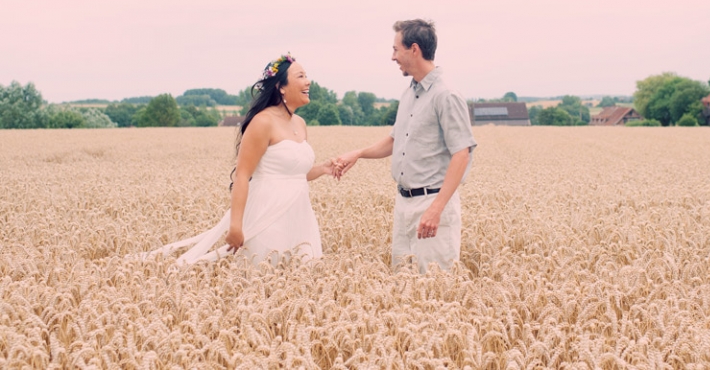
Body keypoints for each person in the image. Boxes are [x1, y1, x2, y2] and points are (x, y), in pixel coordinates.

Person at [143, 53, 336, 266]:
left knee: (302, 277)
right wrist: (236, 225)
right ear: (281, 87)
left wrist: (324, 168)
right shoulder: (262, 122)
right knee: (265, 274)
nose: (308, 81)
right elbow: (243, 174)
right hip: (268, 215)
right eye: (301, 76)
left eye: (306, 75)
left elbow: (293, 173)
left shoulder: (300, 123)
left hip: (301, 217)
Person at [335, 19, 476, 273]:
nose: (392, 57)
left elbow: (461, 154)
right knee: (402, 286)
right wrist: (359, 153)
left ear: (414, 49)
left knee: (435, 288)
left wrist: (436, 209)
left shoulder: (446, 95)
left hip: (432, 204)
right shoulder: (409, 93)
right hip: (404, 205)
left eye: (396, 49)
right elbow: (394, 141)